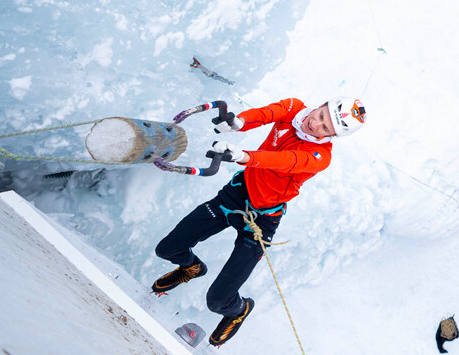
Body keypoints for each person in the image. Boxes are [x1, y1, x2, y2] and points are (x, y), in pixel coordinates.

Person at [151, 97, 367, 347]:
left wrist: (244, 156)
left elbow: (286, 161)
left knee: (218, 301)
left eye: (326, 128)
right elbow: (267, 113)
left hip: (262, 220)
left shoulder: (320, 156)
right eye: (320, 115)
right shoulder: (295, 108)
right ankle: (192, 268)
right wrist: (239, 122)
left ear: (333, 136)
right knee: (167, 249)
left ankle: (238, 310)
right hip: (235, 196)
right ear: (320, 105)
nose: (315, 125)